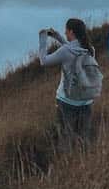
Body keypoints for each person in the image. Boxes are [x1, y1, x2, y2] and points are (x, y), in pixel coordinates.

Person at [38, 19, 97, 150]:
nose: (65, 32)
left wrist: (43, 39)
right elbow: (73, 50)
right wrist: (58, 37)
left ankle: (68, 165)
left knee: (66, 140)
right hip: (86, 102)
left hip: (67, 102)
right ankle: (84, 165)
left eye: (66, 30)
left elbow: (44, 61)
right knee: (84, 139)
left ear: (71, 31)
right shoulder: (90, 50)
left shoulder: (66, 51)